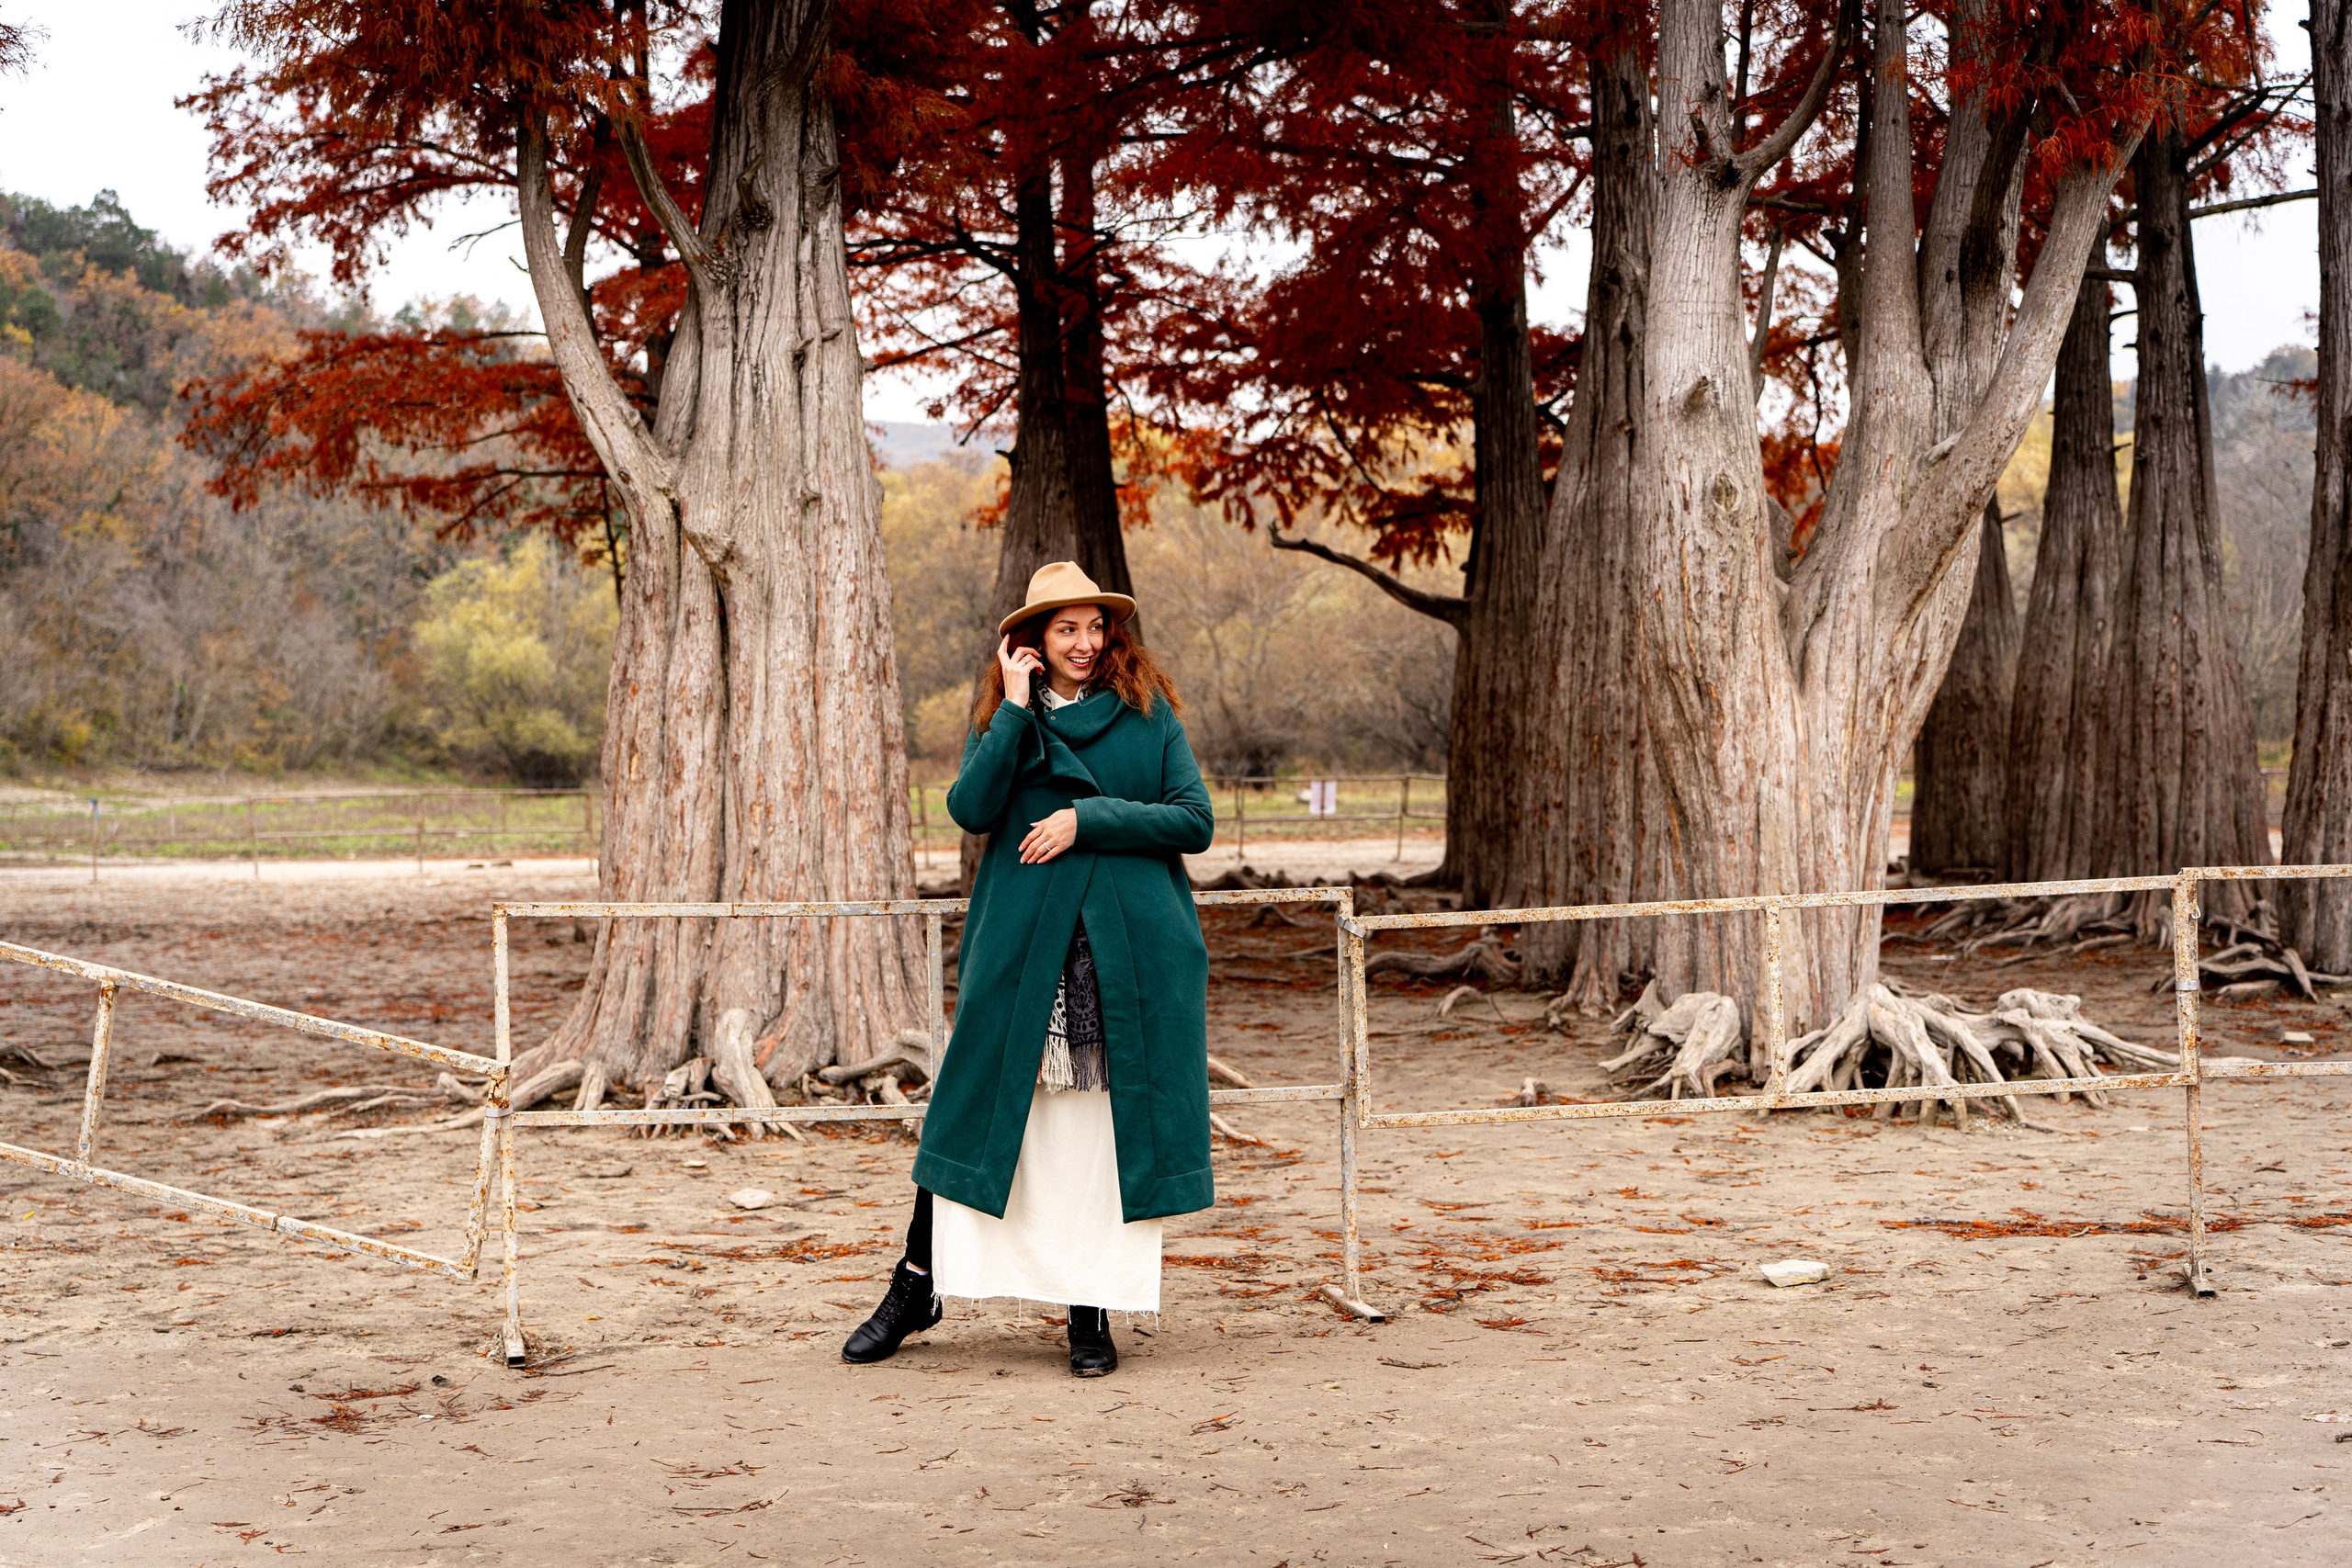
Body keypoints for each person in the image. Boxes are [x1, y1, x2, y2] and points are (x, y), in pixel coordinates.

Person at [842, 562, 1216, 1376]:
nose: (1084, 643)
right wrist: (1014, 709)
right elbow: (971, 810)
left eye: (1094, 626)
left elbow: (1195, 820)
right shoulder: (1006, 720)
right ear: (1032, 641)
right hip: (1022, 944)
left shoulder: (1147, 717)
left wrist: (1087, 818)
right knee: (975, 1102)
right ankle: (917, 1283)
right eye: (1065, 629)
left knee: (1092, 1130)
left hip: (1124, 949)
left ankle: (1088, 1314)